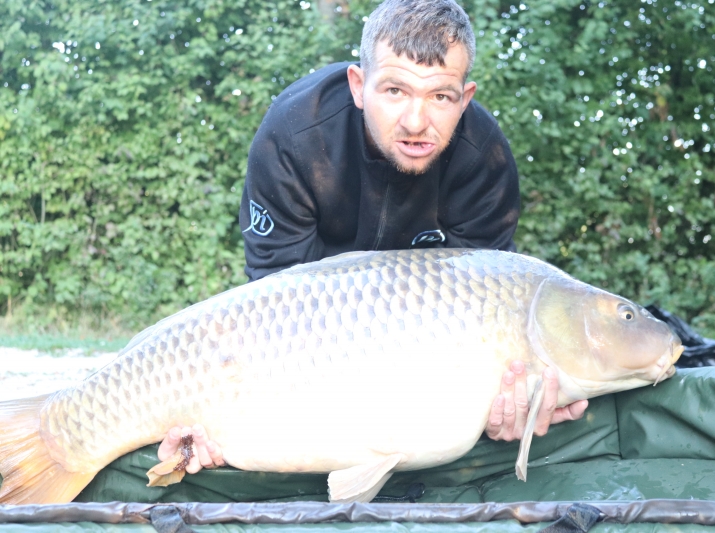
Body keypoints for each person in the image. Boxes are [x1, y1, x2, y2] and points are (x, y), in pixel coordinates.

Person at [159, 0, 588, 474]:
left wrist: (515, 401)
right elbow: (273, 309)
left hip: (416, 358)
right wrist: (218, 413)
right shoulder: (294, 135)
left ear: (465, 99)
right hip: (303, 342)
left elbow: (487, 317)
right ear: (359, 87)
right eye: (395, 90)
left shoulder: (483, 161)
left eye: (440, 97)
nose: (415, 121)